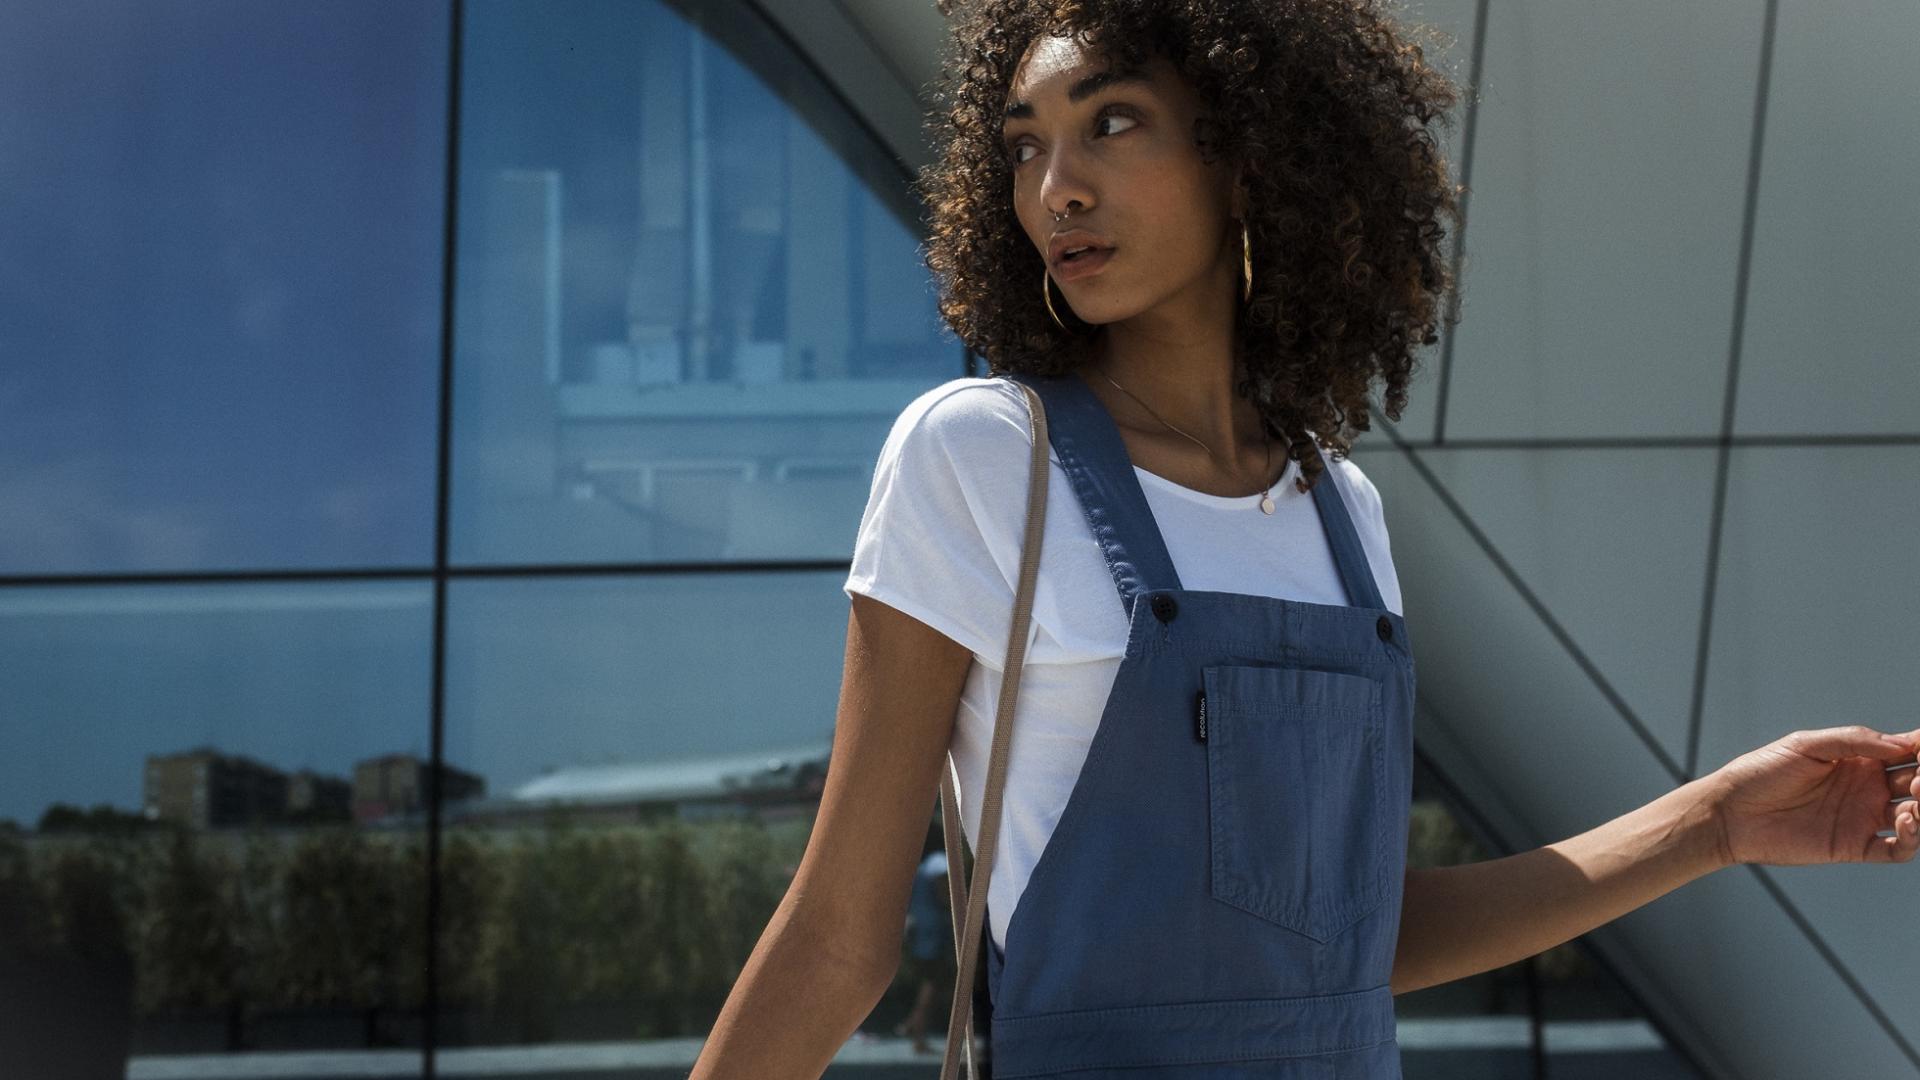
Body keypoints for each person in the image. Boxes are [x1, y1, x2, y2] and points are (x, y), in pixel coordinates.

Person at [689, 1, 1920, 1076]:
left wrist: (1713, 825)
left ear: (1250, 154)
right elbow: (841, 935)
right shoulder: (980, 458)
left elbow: (1355, 943)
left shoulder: (1344, 515)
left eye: (1110, 120)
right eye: (1024, 145)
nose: (1054, 184)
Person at [892, 828, 958, 1054]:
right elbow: (945, 895)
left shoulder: (917, 869)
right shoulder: (938, 863)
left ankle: (912, 1027)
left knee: (935, 983)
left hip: (920, 931)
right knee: (932, 985)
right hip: (935, 932)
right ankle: (918, 1034)